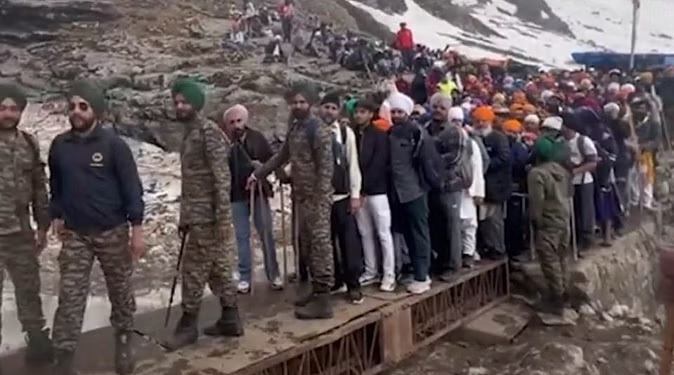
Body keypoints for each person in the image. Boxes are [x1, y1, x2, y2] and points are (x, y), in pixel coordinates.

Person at [49, 80, 144, 375]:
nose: (75, 111)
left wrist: (137, 230)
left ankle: (125, 339)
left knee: (120, 290)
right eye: (72, 105)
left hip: (112, 231)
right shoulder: (59, 146)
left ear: (97, 112)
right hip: (76, 234)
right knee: (70, 296)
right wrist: (56, 215)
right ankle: (63, 357)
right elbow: (57, 185)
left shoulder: (114, 146)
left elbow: (132, 189)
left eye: (83, 106)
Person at [249, 82, 335, 319]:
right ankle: (316, 291)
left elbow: (326, 167)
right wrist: (259, 174)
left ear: (311, 103)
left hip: (316, 197)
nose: (298, 106)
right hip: (301, 195)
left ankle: (324, 299)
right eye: (294, 102)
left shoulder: (318, 129)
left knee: (320, 245)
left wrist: (320, 196)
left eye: (302, 102)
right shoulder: (296, 128)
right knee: (306, 244)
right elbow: (282, 156)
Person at [170, 78, 243, 347]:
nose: (180, 106)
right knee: (218, 268)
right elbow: (189, 181)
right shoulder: (189, 133)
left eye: (184, 102)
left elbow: (221, 177)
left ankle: (188, 324)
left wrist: (223, 217)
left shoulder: (207, 132)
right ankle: (231, 317)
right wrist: (183, 216)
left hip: (209, 217)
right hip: (197, 215)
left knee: (193, 269)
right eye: (176, 102)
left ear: (196, 104)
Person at [0, 84, 52, 368]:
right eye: (3, 108)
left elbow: (39, 188)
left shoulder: (28, 143)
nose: (8, 114)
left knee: (29, 291)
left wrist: (42, 226)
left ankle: (38, 342)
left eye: (13, 109)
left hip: (20, 233)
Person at [219, 104, 283, 294]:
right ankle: (245, 276)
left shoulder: (257, 138)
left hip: (259, 192)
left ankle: (274, 274)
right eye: (231, 122)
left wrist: (269, 173)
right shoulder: (224, 143)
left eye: (239, 121)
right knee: (241, 237)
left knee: (265, 233)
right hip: (236, 194)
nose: (236, 125)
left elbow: (271, 160)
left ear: (245, 120)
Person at [387, 92, 442, 294]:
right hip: (397, 192)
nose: (396, 115)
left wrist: (426, 186)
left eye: (400, 111)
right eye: (393, 111)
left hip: (415, 191)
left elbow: (427, 162)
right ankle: (416, 271)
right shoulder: (391, 132)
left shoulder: (417, 133)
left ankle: (422, 275)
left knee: (419, 233)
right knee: (407, 233)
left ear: (407, 112)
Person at [318, 92, 364, 304]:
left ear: (338, 111)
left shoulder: (346, 133)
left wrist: (355, 195)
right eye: (326, 107)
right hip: (320, 198)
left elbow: (352, 164)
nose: (329, 111)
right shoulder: (314, 131)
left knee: (349, 242)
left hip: (342, 195)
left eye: (333, 108)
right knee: (326, 242)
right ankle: (335, 279)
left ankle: (353, 284)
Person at [352, 98, 396, 292]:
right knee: (365, 232)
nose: (359, 115)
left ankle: (389, 274)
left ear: (371, 114)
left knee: (383, 233)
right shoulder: (353, 135)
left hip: (377, 191)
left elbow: (379, 165)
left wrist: (363, 190)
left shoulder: (380, 136)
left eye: (363, 112)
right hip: (359, 192)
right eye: (357, 112)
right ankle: (370, 270)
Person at [527, 135, 572, 316]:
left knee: (549, 260)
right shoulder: (562, 171)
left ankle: (556, 300)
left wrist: (535, 221)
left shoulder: (537, 174)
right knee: (562, 258)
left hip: (548, 221)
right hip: (563, 218)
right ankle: (564, 293)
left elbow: (537, 201)